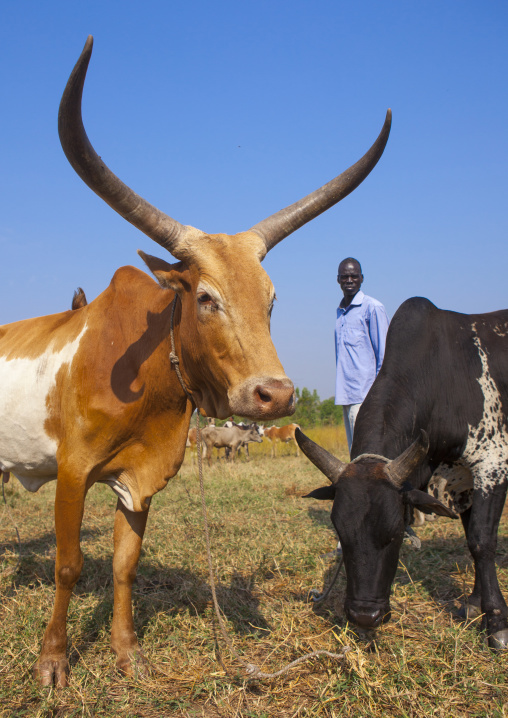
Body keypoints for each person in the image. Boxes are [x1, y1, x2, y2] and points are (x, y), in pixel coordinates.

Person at [335, 257, 389, 454]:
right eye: (345, 276)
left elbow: (384, 355)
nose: (349, 280)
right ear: (338, 280)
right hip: (346, 395)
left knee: (367, 453)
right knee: (354, 453)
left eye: (354, 276)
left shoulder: (372, 308)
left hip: (366, 395)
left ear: (362, 278)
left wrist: (378, 396)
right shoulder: (340, 312)